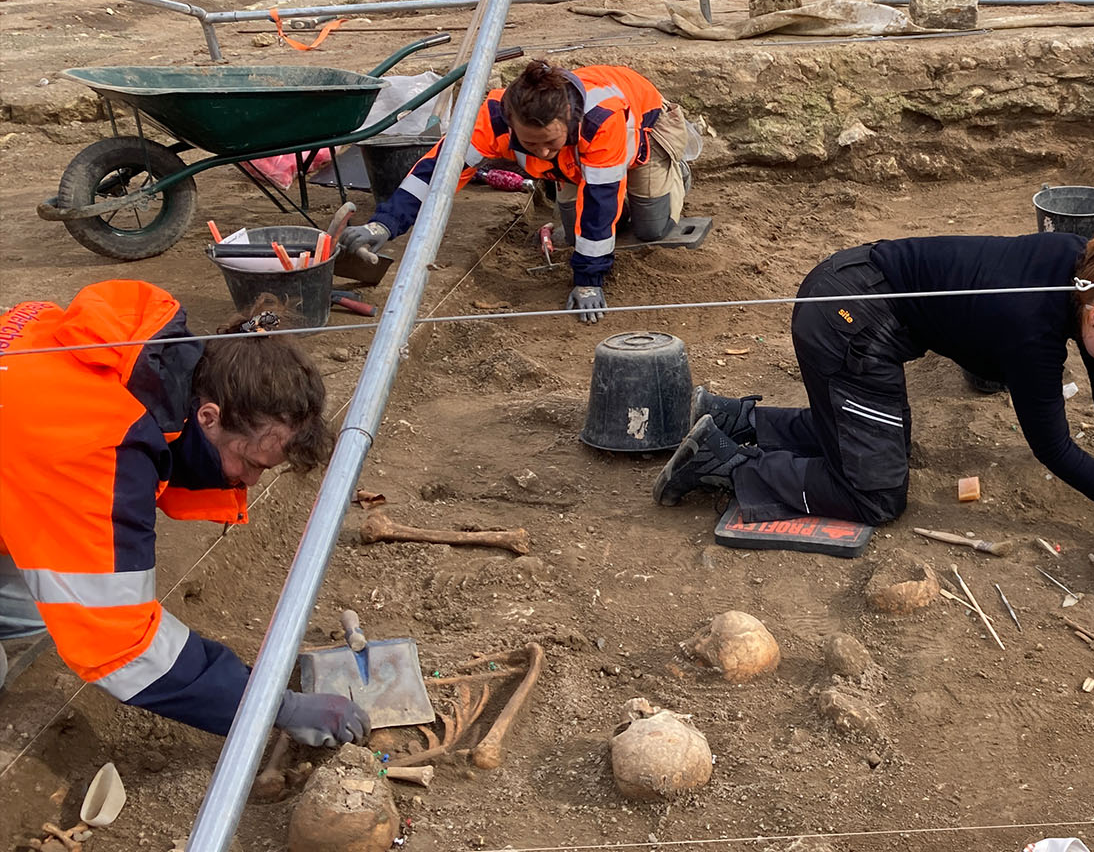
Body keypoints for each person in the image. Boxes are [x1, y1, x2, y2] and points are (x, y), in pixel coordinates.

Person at [651, 233, 1094, 568]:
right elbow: (1055, 449)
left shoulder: (1088, 268)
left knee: (874, 441)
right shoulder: (1031, 330)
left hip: (853, 289)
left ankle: (733, 417)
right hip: (849, 321)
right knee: (875, 494)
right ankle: (724, 464)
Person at [0, 282, 368, 747]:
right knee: (71, 608)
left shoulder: (130, 359)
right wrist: (275, 705)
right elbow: (122, 646)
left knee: (47, 600)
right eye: (251, 463)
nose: (250, 483)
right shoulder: (96, 450)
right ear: (209, 417)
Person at [340, 60, 697, 324]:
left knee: (651, 228)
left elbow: (602, 201)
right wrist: (382, 225)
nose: (541, 151)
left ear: (569, 119)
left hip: (645, 132)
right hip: (574, 159)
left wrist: (589, 280)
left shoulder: (599, 120)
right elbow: (436, 174)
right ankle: (589, 178)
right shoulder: (493, 117)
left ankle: (674, 170)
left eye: (549, 141)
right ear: (511, 124)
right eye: (530, 143)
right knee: (579, 235)